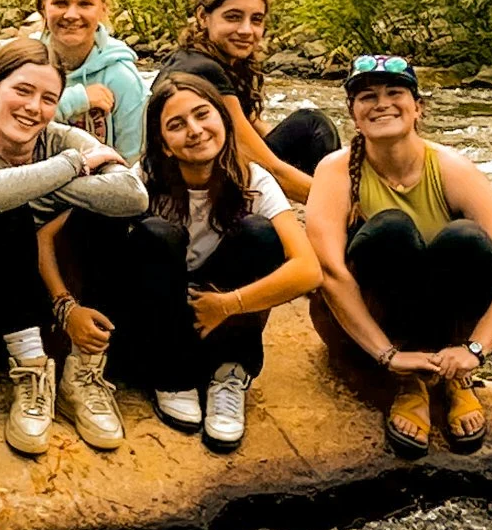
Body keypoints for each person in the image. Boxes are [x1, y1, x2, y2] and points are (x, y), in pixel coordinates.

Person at [49, 74, 321, 452]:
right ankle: (171, 376)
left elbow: (307, 269)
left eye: (202, 115)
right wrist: (67, 307)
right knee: (158, 233)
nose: (194, 131)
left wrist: (229, 304)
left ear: (223, 121)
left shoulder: (252, 179)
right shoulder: (143, 176)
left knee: (259, 232)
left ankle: (229, 373)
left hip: (218, 320)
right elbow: (52, 234)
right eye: (176, 125)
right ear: (164, 144)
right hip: (158, 329)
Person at [303, 52, 492, 455]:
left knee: (468, 240)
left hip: (445, 327)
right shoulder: (334, 171)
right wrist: (389, 356)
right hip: (372, 329)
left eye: (395, 93)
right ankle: (408, 382)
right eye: (367, 97)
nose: (382, 104)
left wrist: (475, 350)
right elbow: (331, 273)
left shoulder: (451, 168)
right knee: (391, 228)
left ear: (417, 108)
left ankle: (452, 375)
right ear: (354, 115)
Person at [0, 36, 146, 456]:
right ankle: (31, 376)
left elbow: (133, 196)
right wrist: (74, 168)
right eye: (23, 91)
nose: (34, 108)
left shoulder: (63, 137)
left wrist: (54, 181)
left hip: (58, 312)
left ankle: (81, 376)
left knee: (106, 213)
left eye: (49, 98)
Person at [152, 0, 340, 202]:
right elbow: (267, 166)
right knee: (313, 126)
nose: (246, 30)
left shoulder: (194, 57)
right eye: (233, 17)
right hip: (195, 188)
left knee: (305, 127)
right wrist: (340, 204)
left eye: (256, 20)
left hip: (202, 176)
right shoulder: (202, 72)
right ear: (202, 17)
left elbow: (251, 125)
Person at [31, 0, 147, 161]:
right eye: (60, 3)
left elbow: (133, 158)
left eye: (85, 4)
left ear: (103, 9)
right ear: (42, 7)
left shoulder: (121, 77)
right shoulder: (25, 63)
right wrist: (77, 100)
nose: (72, 15)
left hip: (101, 187)